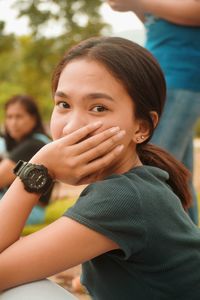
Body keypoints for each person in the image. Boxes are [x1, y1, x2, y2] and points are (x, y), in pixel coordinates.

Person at [0, 37, 200, 300]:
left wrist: (40, 166)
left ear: (141, 127)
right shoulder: (134, 183)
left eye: (98, 108)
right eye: (64, 105)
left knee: (19, 291)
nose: (71, 127)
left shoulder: (123, 197)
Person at [106, 0, 200, 225]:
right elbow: (159, 21)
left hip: (181, 74)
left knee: (153, 168)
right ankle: (189, 250)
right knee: (177, 174)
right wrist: (135, 7)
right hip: (162, 75)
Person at [0, 94, 53, 225]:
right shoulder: (28, 142)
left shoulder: (35, 144)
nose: (13, 123)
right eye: (9, 117)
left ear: (33, 118)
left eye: (19, 116)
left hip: (29, 210)